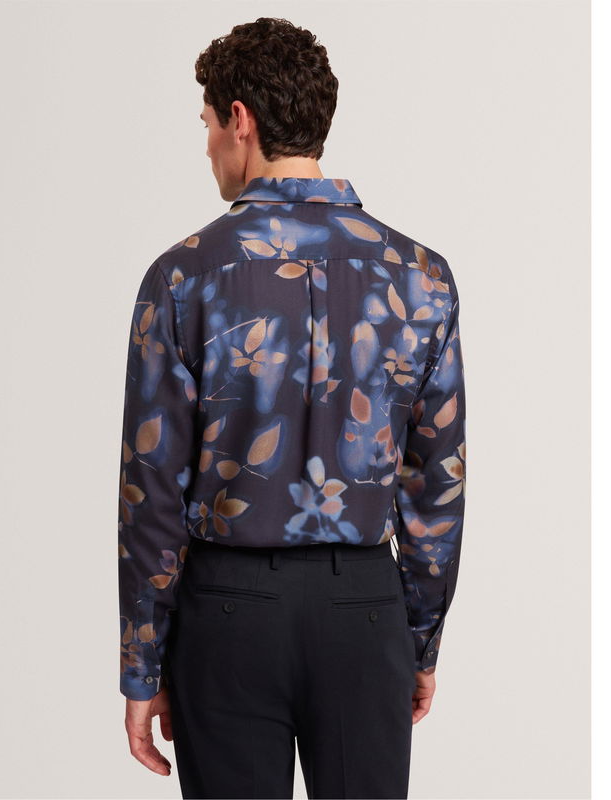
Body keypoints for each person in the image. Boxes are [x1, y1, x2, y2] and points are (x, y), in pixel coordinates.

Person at [117, 16, 466, 799]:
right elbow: (437, 484)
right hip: (363, 614)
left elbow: (152, 492)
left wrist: (142, 664)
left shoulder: (182, 278)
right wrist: (418, 639)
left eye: (207, 125)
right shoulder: (422, 278)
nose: (209, 145)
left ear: (239, 119)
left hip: (227, 617)